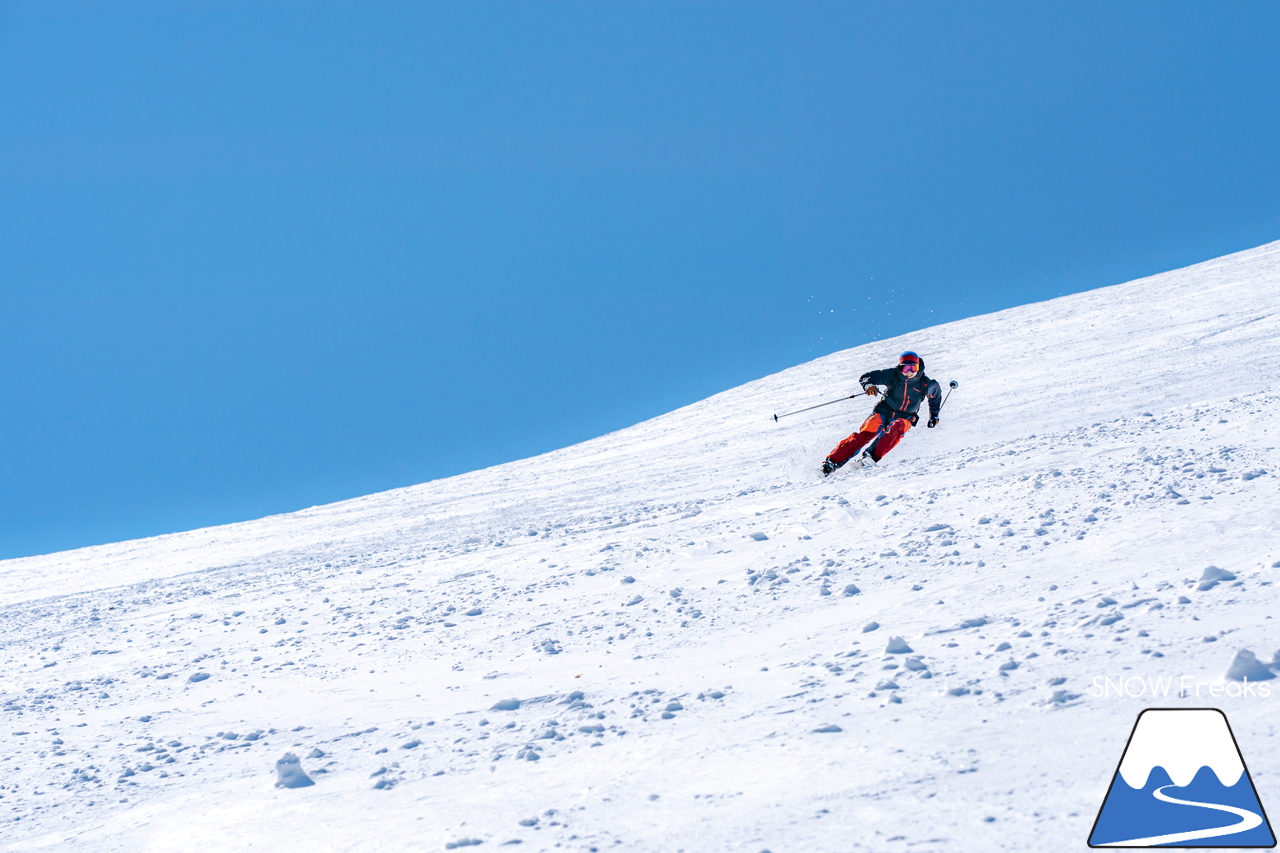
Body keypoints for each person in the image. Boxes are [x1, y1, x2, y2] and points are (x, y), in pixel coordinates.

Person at [821, 351, 942, 476]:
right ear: (900, 367)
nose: (909, 372)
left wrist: (934, 415)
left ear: (919, 366)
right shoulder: (893, 375)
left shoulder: (927, 384)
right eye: (905, 368)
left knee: (897, 428)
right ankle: (831, 463)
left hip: (906, 417)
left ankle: (870, 456)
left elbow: (935, 396)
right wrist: (868, 386)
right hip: (884, 411)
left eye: (913, 368)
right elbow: (867, 377)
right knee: (865, 434)